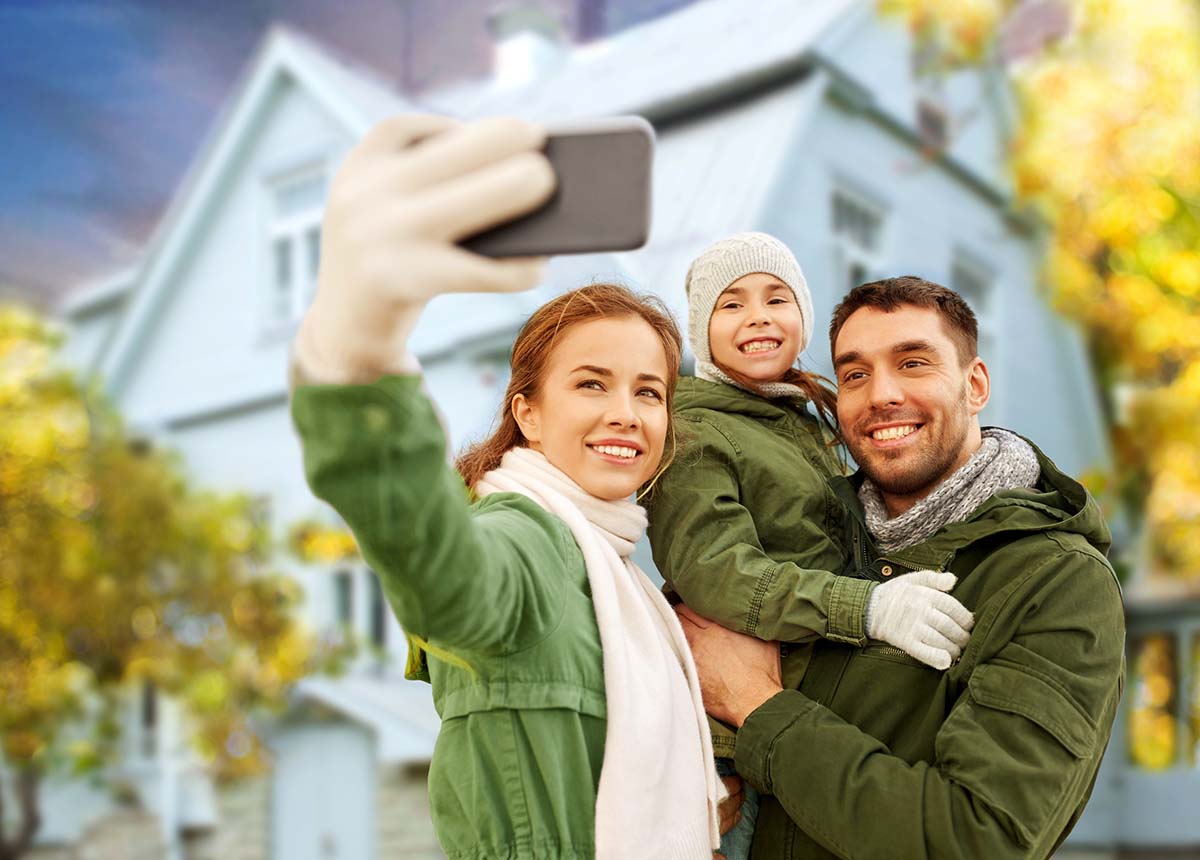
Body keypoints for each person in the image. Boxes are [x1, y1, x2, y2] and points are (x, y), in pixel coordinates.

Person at [289, 114, 727, 859]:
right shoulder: (529, 538)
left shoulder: (621, 574)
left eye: (649, 391)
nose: (626, 413)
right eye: (592, 384)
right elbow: (445, 577)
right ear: (527, 412)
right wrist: (357, 344)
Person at [677, 276, 1126, 859]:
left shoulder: (1058, 583)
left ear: (975, 383)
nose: (881, 394)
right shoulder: (799, 537)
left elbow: (974, 840)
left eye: (913, 363)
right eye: (855, 374)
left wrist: (755, 705)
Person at [647, 237, 975, 859]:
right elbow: (717, 572)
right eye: (731, 305)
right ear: (699, 330)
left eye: (777, 297)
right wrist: (867, 608)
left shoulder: (804, 418)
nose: (758, 316)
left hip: (804, 706)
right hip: (732, 744)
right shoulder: (696, 431)